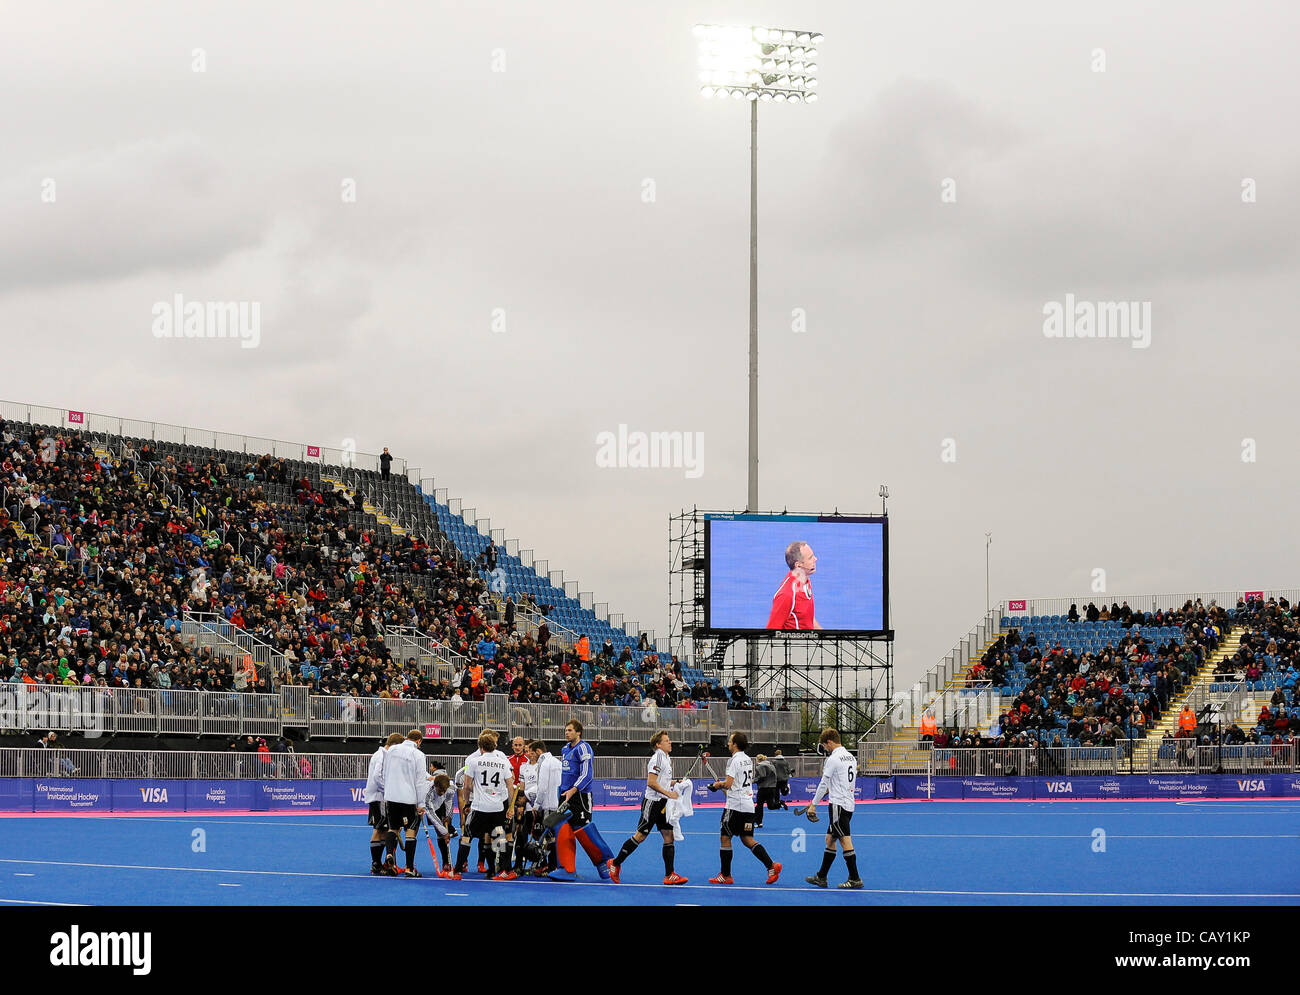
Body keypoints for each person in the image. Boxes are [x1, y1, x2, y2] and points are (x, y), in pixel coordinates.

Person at [609, 730, 688, 886]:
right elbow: (651, 782)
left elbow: (663, 781)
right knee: (640, 836)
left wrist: (676, 782)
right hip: (652, 803)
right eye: (666, 740)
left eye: (669, 740)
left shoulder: (666, 758)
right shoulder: (657, 757)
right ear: (658, 745)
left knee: (668, 835)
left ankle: (669, 875)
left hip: (663, 802)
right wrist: (669, 794)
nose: (670, 742)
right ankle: (615, 863)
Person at [708, 731, 781, 885]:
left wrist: (716, 785)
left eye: (729, 741)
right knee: (747, 838)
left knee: (725, 837)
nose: (728, 743)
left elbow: (728, 784)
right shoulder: (748, 759)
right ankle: (771, 866)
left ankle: (726, 875)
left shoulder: (733, 760)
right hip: (748, 805)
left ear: (735, 744)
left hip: (735, 805)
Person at [550, 718, 614, 881]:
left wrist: (574, 789)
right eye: (566, 730)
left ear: (578, 732)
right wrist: (563, 792)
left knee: (582, 830)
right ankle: (566, 868)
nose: (567, 732)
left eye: (570, 730)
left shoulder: (583, 748)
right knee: (562, 829)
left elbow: (587, 774)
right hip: (565, 794)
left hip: (580, 795)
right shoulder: (565, 749)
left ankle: (606, 862)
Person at [453, 729, 518, 881]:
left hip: (480, 806)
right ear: (494, 746)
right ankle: (503, 870)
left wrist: (467, 803)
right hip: (497, 807)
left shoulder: (473, 761)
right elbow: (510, 785)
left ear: (481, 747)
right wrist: (510, 807)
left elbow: (467, 786)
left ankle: (457, 871)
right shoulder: (502, 762)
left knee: (467, 837)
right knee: (497, 839)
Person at [803, 728, 863, 889]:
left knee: (844, 839)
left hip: (838, 805)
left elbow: (824, 783)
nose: (825, 749)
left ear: (829, 742)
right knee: (830, 839)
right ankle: (821, 877)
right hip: (848, 803)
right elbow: (841, 781)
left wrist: (813, 804)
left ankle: (855, 878)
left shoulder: (833, 758)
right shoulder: (850, 756)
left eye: (824, 746)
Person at [382, 729, 428, 878]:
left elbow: (384, 772)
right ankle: (409, 868)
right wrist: (421, 803)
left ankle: (390, 855)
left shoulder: (392, 749)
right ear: (419, 741)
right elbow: (420, 781)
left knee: (393, 829)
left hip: (391, 795)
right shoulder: (418, 755)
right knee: (410, 832)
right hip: (408, 798)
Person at [365, 732, 404, 875]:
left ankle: (379, 863)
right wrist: (389, 791)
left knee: (381, 829)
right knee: (381, 830)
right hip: (380, 797)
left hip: (378, 797)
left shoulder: (381, 754)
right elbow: (377, 776)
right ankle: (376, 864)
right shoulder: (382, 755)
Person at [766, 541, 821, 630]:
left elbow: (807, 618)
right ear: (798, 565)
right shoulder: (787, 595)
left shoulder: (804, 579)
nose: (816, 559)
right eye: (810, 558)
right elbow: (771, 632)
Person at [530, 739, 563, 876]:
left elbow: (542, 788)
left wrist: (537, 805)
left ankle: (551, 866)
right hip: (558, 804)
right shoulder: (558, 762)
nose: (531, 757)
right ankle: (554, 865)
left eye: (532, 753)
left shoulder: (544, 764)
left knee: (550, 838)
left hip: (548, 805)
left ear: (538, 751)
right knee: (555, 837)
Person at [422, 765, 457, 877]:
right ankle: (445, 862)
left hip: (441, 805)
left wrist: (449, 816)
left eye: (444, 790)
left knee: (442, 833)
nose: (442, 792)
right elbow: (430, 812)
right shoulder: (428, 792)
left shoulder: (451, 788)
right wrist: (443, 830)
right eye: (440, 790)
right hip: (428, 807)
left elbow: (449, 800)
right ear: (435, 786)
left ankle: (446, 863)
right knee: (440, 832)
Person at [753, 754, 779, 828]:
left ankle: (759, 822)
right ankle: (780, 804)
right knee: (770, 806)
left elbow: (762, 776)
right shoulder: (771, 765)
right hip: (772, 788)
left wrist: (754, 780)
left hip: (763, 788)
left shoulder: (759, 766)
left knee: (759, 806)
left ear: (758, 759)